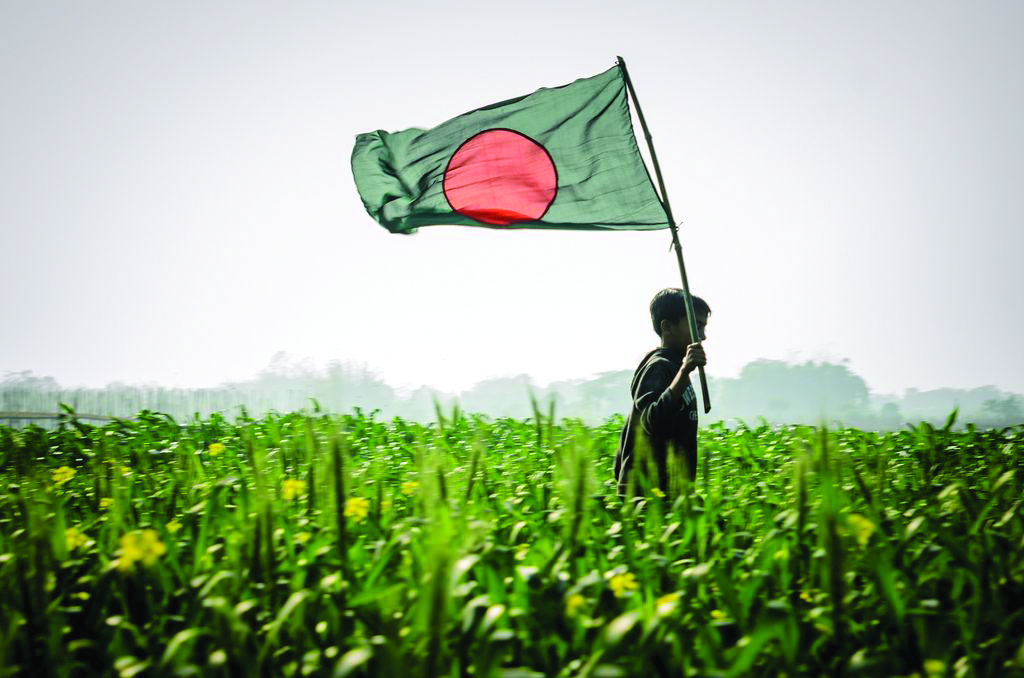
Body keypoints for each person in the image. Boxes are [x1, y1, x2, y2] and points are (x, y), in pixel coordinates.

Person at [613, 288, 710, 499]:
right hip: (648, 494)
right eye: (696, 326)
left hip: (671, 492)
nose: (702, 336)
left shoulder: (675, 368)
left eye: (703, 327)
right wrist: (684, 372)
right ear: (667, 327)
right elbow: (651, 421)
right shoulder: (659, 367)